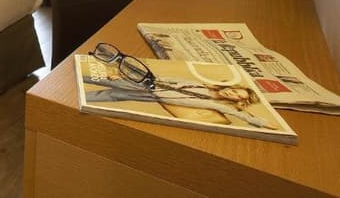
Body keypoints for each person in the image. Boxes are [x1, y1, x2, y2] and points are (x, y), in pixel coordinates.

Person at [83, 73, 274, 129]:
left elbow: (236, 113)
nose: (232, 94)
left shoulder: (212, 103)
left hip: (149, 95)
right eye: (234, 90)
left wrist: (260, 122)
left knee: (109, 96)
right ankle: (72, 76)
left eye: (237, 97)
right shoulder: (200, 85)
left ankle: (80, 96)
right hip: (147, 83)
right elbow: (169, 79)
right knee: (102, 78)